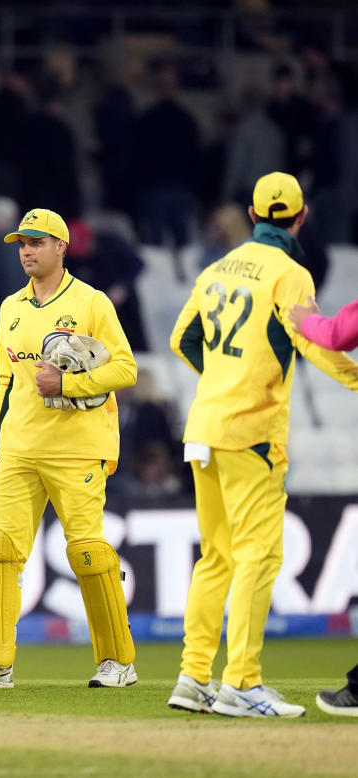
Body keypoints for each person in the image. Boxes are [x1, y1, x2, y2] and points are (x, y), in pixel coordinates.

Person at [168, 172, 358, 718]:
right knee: (258, 556)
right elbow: (311, 340)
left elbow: (183, 339)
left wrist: (223, 383)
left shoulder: (216, 269)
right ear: (300, 220)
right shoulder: (291, 273)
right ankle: (242, 683)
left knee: (215, 558)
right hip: (251, 433)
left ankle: (194, 676)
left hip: (204, 427)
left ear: (251, 216)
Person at [0, 208, 139, 691]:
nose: (26, 250)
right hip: (19, 448)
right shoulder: (10, 306)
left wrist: (67, 379)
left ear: (61, 247)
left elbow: (125, 368)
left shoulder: (91, 301)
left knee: (86, 551)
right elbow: (5, 381)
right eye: (22, 242)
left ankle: (117, 662)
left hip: (77, 449)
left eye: (37, 242)